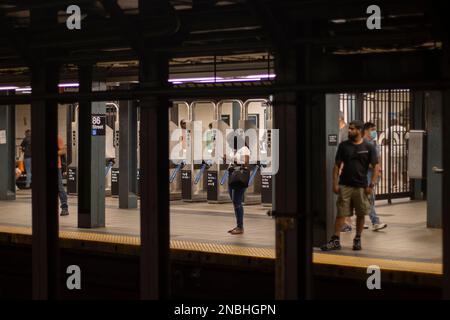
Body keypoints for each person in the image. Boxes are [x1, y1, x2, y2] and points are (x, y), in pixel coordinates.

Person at [321, 120, 380, 251]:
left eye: (352, 129)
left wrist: (372, 184)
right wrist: (335, 183)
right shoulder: (343, 146)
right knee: (341, 213)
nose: (349, 131)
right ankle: (335, 240)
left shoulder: (369, 147)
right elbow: (337, 166)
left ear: (360, 131)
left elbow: (376, 166)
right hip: (345, 185)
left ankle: (357, 239)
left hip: (361, 187)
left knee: (360, 214)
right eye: (349, 129)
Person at [363, 122, 387, 231]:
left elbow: (378, 157)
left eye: (375, 129)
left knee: (366, 197)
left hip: (373, 172)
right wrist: (373, 165)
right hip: (365, 173)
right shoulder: (362, 143)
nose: (374, 132)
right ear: (366, 130)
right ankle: (375, 222)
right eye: (372, 129)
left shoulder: (375, 143)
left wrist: (379, 169)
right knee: (369, 197)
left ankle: (358, 220)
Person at [225, 135, 250, 235]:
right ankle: (238, 226)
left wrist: (232, 159)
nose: (229, 144)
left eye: (230, 142)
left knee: (237, 202)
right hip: (232, 176)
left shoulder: (244, 149)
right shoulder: (234, 150)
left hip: (240, 177)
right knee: (235, 202)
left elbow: (246, 162)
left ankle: (240, 227)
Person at [381, 118, 409, 190]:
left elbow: (386, 140)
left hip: (393, 152)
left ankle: (394, 185)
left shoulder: (388, 129)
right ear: (398, 122)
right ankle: (405, 184)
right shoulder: (403, 128)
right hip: (403, 151)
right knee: (404, 169)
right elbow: (407, 137)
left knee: (394, 169)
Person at [338, 112, 353, 232]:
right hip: (341, 166)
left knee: (345, 195)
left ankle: (347, 222)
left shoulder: (346, 131)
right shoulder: (339, 130)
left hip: (346, 167)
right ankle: (346, 221)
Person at [58, 135, 69, 216]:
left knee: (59, 187)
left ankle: (64, 207)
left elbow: (63, 151)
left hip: (56, 167)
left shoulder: (58, 137)